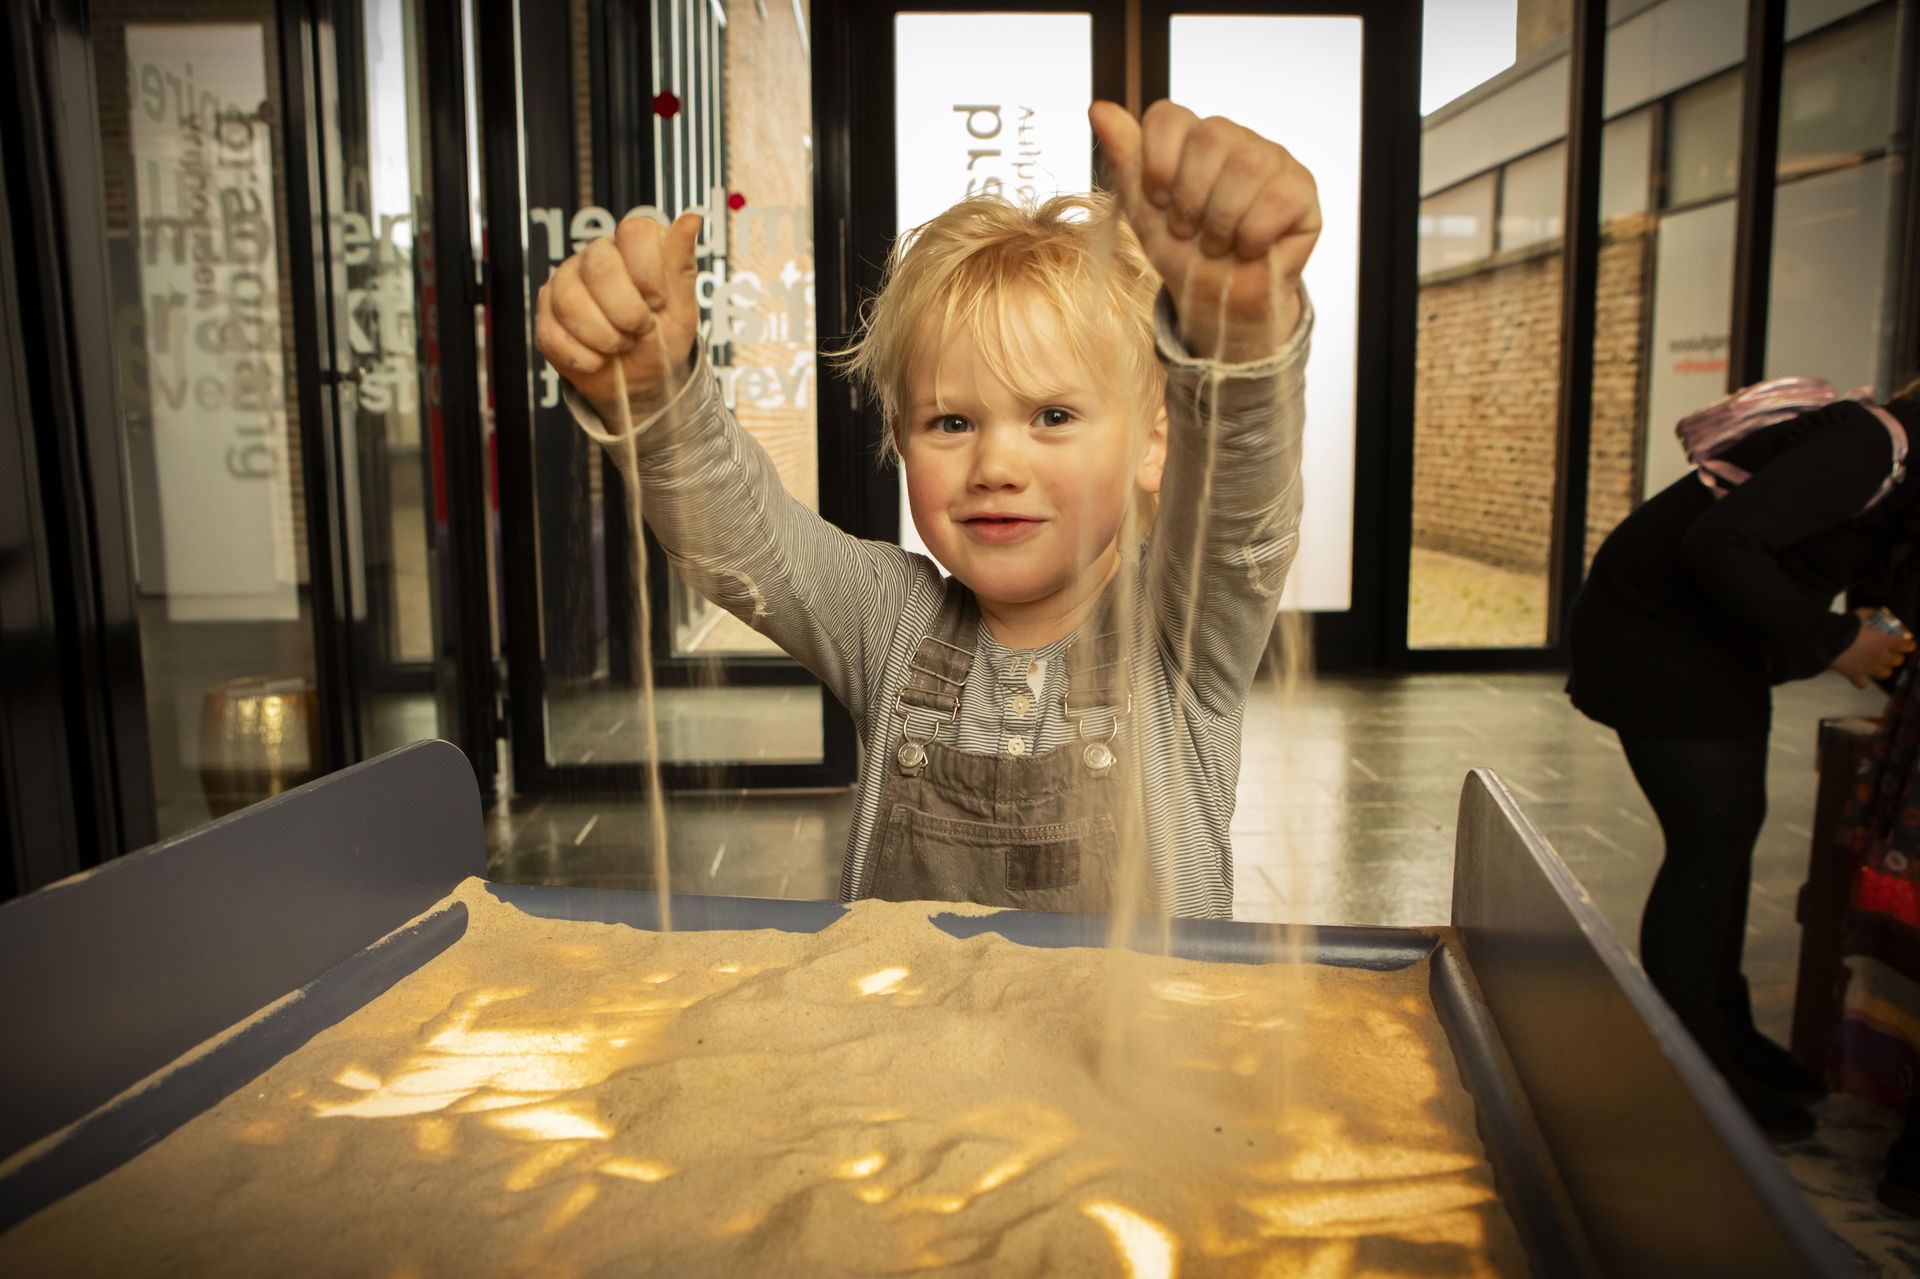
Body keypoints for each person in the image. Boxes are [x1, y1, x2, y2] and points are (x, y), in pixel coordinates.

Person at [533, 100, 1319, 918]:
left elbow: (1240, 507)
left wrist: (1243, 339)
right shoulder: (889, 619)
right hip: (912, 1042)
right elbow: (741, 538)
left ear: (1155, 446)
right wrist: (662, 398)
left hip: (1148, 1045)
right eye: (952, 422)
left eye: (1052, 416)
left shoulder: (1182, 630)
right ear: (902, 439)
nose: (996, 465)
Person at [1566, 375, 1920, 1138]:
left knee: (1730, 835)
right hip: (1658, 635)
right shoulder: (1867, 445)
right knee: (1705, 845)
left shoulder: (1880, 455)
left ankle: (1727, 1039)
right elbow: (1720, 542)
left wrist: (1850, 623)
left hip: (1705, 640)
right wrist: (1835, 642)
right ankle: (1694, 1074)